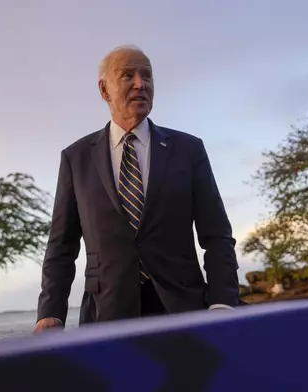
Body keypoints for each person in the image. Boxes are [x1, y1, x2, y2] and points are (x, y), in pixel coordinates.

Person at [35, 45, 239, 332]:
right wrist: (50, 312)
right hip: (105, 315)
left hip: (184, 309)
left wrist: (222, 302)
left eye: (147, 76)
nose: (140, 84)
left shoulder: (188, 150)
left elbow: (217, 235)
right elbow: (61, 246)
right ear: (104, 91)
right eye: (128, 75)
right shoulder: (76, 158)